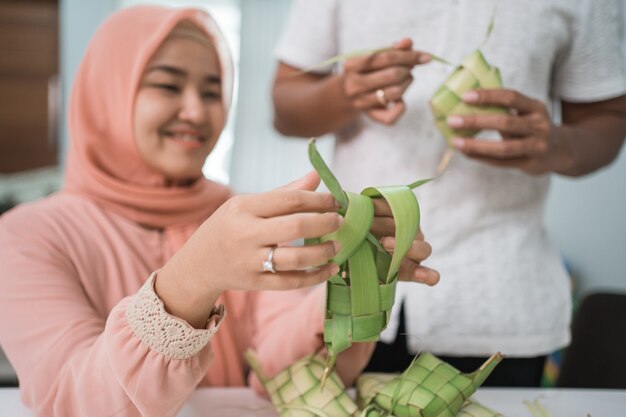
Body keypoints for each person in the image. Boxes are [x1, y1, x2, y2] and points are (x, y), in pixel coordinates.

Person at [0, 5, 439, 417]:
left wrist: (350, 279)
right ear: (107, 93)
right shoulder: (25, 236)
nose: (196, 111)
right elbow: (73, 402)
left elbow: (283, 375)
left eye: (213, 92)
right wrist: (193, 278)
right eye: (167, 85)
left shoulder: (239, 215)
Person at [272, 0, 626, 386]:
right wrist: (343, 92)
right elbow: (285, 105)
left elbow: (607, 119)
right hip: (354, 292)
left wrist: (557, 145)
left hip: (502, 307)